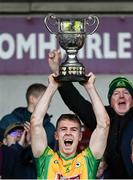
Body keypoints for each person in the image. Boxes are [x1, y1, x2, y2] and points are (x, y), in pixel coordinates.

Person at [48, 49, 133, 178]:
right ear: (110, 101)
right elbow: (76, 103)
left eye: (126, 93)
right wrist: (57, 71)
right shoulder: (102, 116)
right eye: (116, 93)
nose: (121, 96)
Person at [30, 73, 110, 179]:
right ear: (56, 135)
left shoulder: (87, 161)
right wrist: (52, 87)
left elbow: (104, 124)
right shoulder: (46, 159)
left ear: (80, 136)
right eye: (63, 129)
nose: (68, 133)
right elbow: (35, 122)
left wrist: (90, 87)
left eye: (73, 129)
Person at [0, 83, 56, 149]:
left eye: (49, 99)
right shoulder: (8, 120)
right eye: (45, 98)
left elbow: (51, 155)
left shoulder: (50, 128)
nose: (48, 102)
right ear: (32, 99)